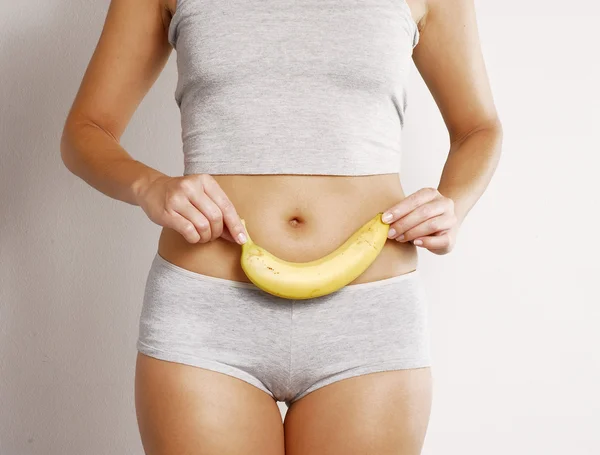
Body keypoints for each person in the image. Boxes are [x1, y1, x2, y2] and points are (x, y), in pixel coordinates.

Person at [59, 0, 502, 453]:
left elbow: (478, 127)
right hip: (206, 313)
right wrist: (148, 186)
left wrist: (454, 204)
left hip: (368, 319)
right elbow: (87, 128)